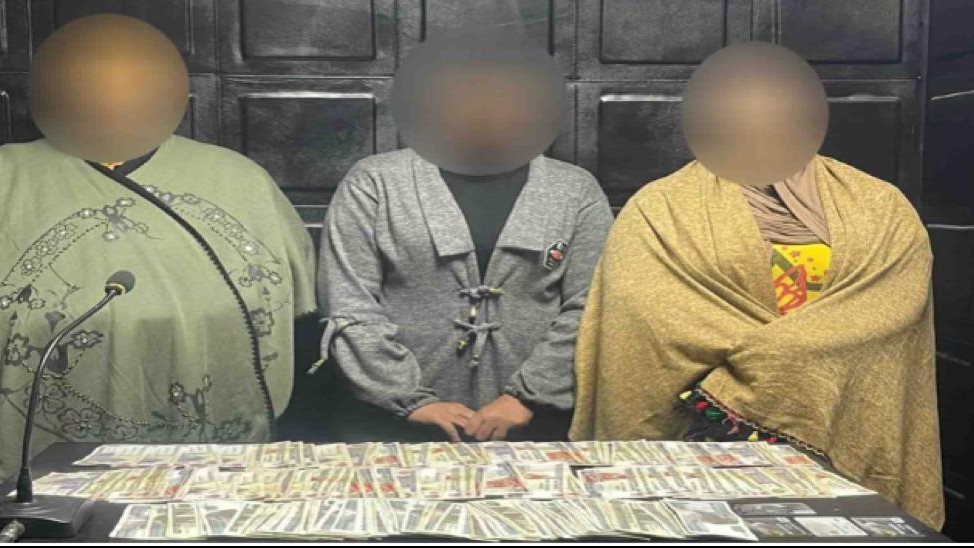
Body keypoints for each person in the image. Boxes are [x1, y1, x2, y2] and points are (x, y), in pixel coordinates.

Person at [570, 42, 944, 530]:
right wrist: (796, 358)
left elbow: (891, 304)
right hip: (701, 449)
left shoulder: (880, 206)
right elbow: (641, 323)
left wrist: (775, 360)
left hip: (845, 429)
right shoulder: (659, 209)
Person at [0, 15, 316, 481]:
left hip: (207, 429)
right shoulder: (9, 176)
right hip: (45, 432)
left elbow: (296, 305)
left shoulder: (237, 177)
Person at [318, 29, 613, 443]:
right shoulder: (376, 183)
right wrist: (410, 399)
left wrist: (527, 397)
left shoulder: (574, 190)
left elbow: (591, 307)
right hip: (390, 424)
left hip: (535, 426)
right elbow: (349, 303)